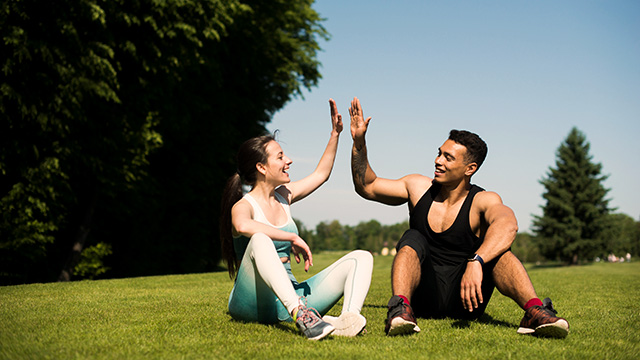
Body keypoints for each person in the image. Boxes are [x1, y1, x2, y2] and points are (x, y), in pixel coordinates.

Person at [348, 97, 569, 338]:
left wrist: (477, 261)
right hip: (422, 298)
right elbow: (367, 186)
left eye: (448, 158)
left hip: (468, 300)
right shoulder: (418, 187)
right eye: (439, 153)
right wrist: (359, 143)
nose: (438, 161)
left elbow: (508, 225)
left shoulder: (483, 200)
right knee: (412, 237)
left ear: (470, 168)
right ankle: (400, 309)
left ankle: (534, 311)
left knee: (498, 252)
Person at [220, 99, 373, 340]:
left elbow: (321, 174)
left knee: (361, 258)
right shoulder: (243, 206)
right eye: (280, 157)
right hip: (251, 301)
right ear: (261, 167)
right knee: (260, 239)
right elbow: (242, 226)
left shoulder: (284, 197)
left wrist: (335, 134)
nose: (288, 160)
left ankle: (348, 319)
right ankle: (302, 315)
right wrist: (291, 236)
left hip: (288, 294)